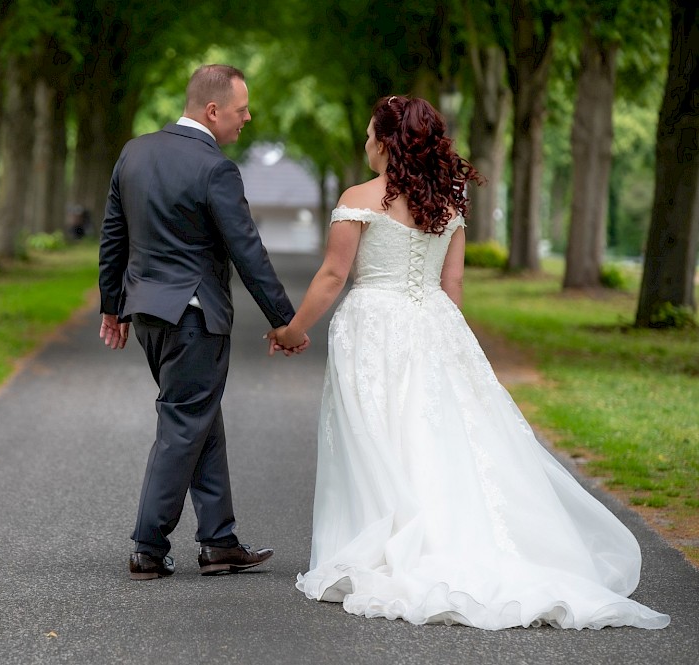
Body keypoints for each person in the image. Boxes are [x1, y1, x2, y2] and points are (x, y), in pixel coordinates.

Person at [270, 95, 670, 629]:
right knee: (436, 432)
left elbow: (333, 277)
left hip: (374, 327)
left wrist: (293, 329)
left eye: (369, 134)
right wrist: (446, 343)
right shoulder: (448, 206)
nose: (365, 143)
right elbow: (451, 286)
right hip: (435, 324)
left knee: (378, 434)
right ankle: (450, 532)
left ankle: (388, 543)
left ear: (387, 142)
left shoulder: (359, 199)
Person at [98, 64, 309, 581]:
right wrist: (287, 321)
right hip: (194, 318)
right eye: (241, 110)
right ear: (213, 110)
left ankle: (219, 541)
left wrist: (112, 306)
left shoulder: (135, 152)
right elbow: (248, 252)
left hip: (148, 315)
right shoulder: (215, 168)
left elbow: (113, 236)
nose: (247, 118)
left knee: (198, 419)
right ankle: (147, 546)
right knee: (184, 423)